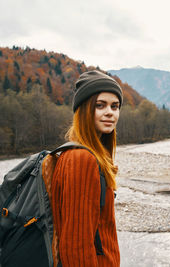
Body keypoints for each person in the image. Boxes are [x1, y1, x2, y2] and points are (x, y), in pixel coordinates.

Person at [45, 70, 122, 266]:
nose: (110, 113)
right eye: (100, 105)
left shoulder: (85, 156)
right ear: (85, 109)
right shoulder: (81, 160)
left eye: (115, 106)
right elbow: (75, 246)